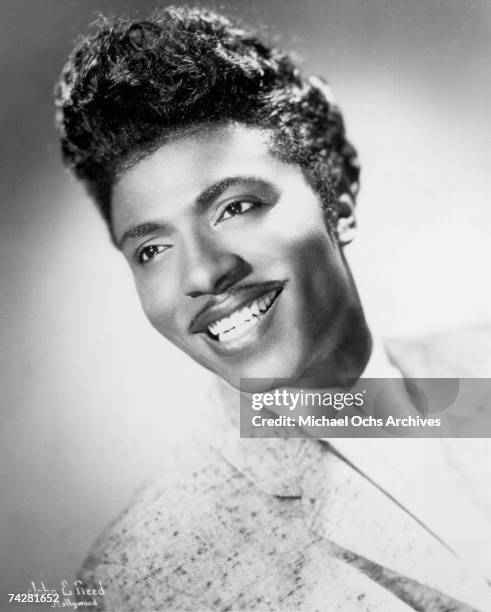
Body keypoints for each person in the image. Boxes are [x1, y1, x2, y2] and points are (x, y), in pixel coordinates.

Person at [54, 6, 491, 611]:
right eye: (153, 248)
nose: (204, 272)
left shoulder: (478, 365)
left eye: (233, 207)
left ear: (336, 194)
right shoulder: (140, 578)